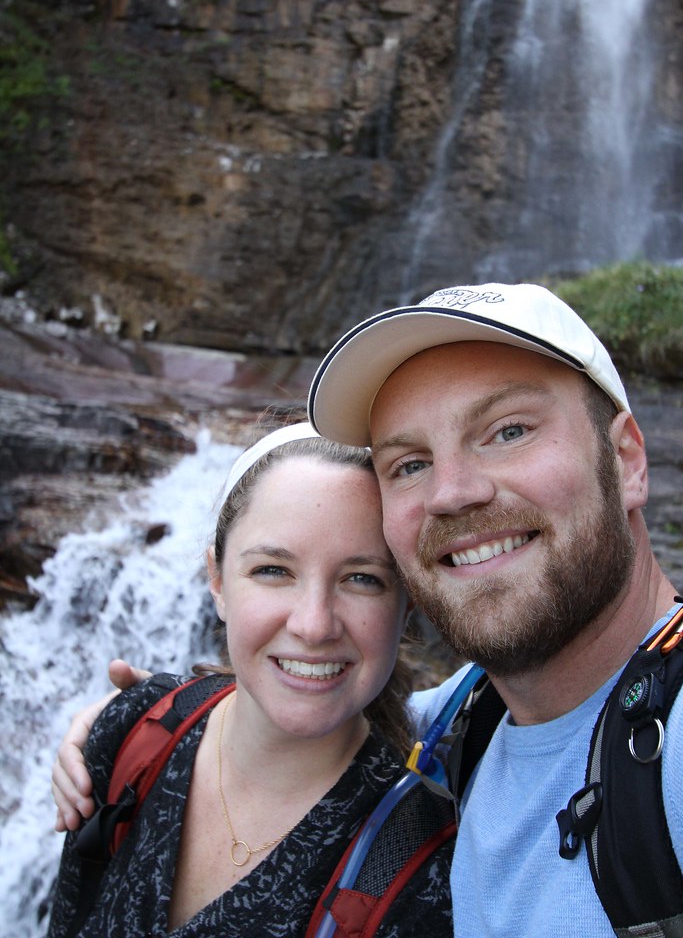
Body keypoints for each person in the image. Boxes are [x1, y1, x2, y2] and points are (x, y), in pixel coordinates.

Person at [54, 282, 683, 936]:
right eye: (409, 464)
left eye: (507, 430)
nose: (452, 492)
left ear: (626, 459)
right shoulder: (465, 719)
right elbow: (313, 689)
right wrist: (147, 713)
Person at [48, 422, 455, 938]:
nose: (313, 624)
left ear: (406, 607)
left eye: (362, 579)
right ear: (216, 581)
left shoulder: (425, 872)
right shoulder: (129, 732)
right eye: (272, 570)